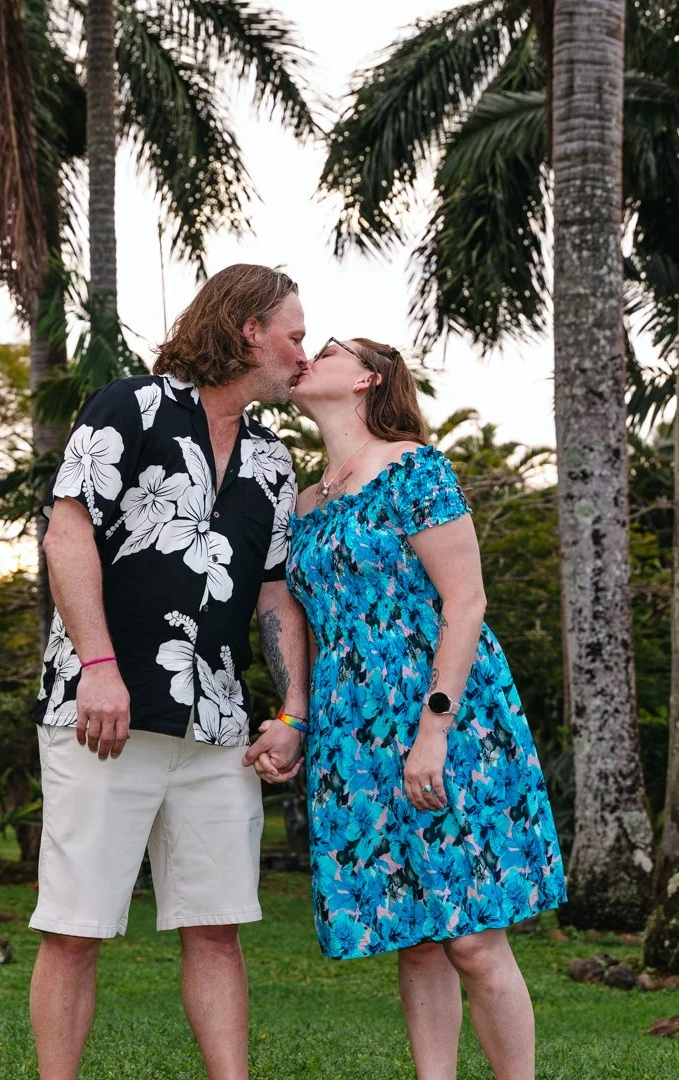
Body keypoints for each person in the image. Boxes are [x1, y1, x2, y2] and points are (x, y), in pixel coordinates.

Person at [29, 264, 313, 1080]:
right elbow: (66, 535)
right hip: (102, 711)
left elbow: (274, 594)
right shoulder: (131, 406)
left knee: (217, 924)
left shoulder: (271, 460)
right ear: (249, 329)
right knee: (76, 927)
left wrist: (293, 710)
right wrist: (100, 668)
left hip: (218, 725)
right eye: (293, 334)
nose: (301, 353)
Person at [256, 336, 567, 1080]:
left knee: (472, 935)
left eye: (325, 348)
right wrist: (294, 718)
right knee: (417, 935)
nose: (306, 355)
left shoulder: (414, 468)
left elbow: (465, 602)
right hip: (352, 733)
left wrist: (433, 730)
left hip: (450, 719)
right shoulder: (303, 503)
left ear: (368, 378)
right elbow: (296, 622)